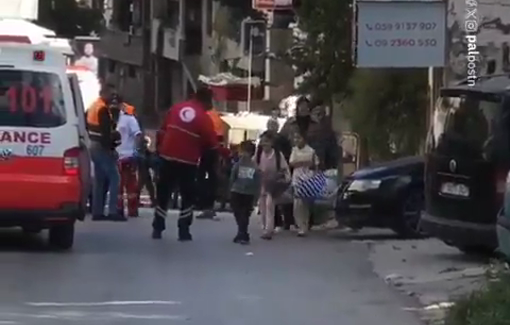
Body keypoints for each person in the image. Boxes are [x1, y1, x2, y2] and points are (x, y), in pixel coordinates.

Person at [153, 87, 219, 240]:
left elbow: (162, 131)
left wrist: (160, 151)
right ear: (207, 100)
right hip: (187, 161)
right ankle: (183, 230)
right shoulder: (204, 118)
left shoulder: (176, 109)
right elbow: (212, 144)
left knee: (163, 193)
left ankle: (158, 227)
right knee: (188, 196)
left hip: (167, 157)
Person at [87, 84, 123, 221]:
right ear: (104, 93)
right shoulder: (102, 109)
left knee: (100, 179)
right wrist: (112, 149)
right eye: (111, 94)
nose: (113, 98)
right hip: (101, 147)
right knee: (115, 177)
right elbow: (106, 134)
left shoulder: (93, 106)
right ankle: (113, 211)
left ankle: (97, 211)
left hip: (93, 144)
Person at [254, 131, 290, 240]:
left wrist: (284, 179)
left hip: (273, 184)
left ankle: (268, 229)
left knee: (270, 205)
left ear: (272, 143)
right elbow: (254, 165)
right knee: (262, 206)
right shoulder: (259, 153)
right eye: (262, 142)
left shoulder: (278, 155)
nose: (264, 144)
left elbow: (285, 169)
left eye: (266, 142)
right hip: (262, 183)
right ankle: (265, 226)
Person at [196, 107, 225, 219]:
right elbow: (220, 136)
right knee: (212, 177)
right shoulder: (215, 115)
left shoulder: (203, 115)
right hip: (214, 149)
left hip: (205, 148)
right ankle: (209, 207)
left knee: (201, 177)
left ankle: (204, 206)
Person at [265, 116, 294, 231]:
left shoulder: (282, 139)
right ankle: (274, 223)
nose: (272, 128)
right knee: (271, 199)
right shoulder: (265, 138)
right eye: (270, 125)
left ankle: (286, 221)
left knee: (283, 198)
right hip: (269, 171)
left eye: (274, 126)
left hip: (279, 169)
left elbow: (288, 152)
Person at [229, 140, 261, 245]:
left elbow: (257, 181)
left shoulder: (253, 166)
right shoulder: (239, 164)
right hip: (238, 191)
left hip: (246, 192)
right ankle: (242, 232)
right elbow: (233, 176)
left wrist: (256, 194)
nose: (242, 154)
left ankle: (242, 233)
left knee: (244, 213)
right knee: (239, 213)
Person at [289, 132, 319, 236]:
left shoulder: (311, 151)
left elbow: (315, 165)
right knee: (297, 204)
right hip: (296, 179)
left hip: (307, 179)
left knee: (304, 204)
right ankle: (299, 225)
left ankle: (304, 226)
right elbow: (292, 163)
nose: (296, 140)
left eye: (299, 137)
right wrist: (304, 162)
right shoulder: (294, 150)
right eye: (295, 138)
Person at [116, 103, 143, 218]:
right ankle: (119, 208)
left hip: (128, 155)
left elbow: (138, 135)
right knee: (119, 185)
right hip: (116, 156)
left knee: (130, 184)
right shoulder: (111, 118)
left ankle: (132, 209)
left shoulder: (129, 119)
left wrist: (136, 150)